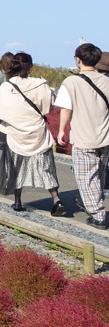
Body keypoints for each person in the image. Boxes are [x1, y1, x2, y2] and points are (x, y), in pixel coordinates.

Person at [0, 52, 65, 215]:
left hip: (15, 134)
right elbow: (50, 107)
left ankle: (17, 202)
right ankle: (56, 200)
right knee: (46, 168)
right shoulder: (40, 84)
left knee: (16, 168)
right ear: (30, 66)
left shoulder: (7, 86)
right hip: (37, 132)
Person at [55, 43, 109, 230]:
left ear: (78, 60)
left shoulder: (71, 82)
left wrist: (62, 130)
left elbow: (66, 108)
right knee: (99, 177)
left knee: (86, 178)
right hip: (106, 137)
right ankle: (97, 207)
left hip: (84, 138)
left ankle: (98, 215)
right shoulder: (107, 81)